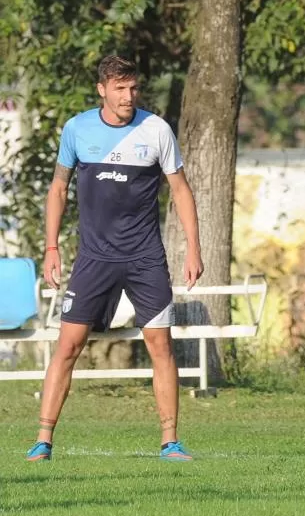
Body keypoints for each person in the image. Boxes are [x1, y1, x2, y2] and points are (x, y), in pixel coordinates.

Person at [25, 55, 203, 463]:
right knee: (67, 346)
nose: (128, 96)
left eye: (133, 88)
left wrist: (193, 246)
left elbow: (180, 190)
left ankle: (170, 441)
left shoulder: (156, 129)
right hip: (93, 259)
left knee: (161, 345)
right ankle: (43, 441)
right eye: (120, 88)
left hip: (145, 258)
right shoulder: (77, 128)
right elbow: (58, 189)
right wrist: (51, 248)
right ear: (102, 89)